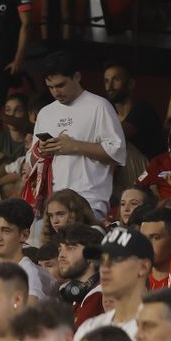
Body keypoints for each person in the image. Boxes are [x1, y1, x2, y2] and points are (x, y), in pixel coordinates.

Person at [33, 53, 127, 219]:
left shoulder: (99, 106)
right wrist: (41, 150)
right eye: (50, 87)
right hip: (53, 203)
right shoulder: (45, 113)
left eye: (61, 85)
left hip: (89, 202)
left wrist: (75, 146)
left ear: (77, 76)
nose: (56, 92)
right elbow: (32, 162)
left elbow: (118, 153)